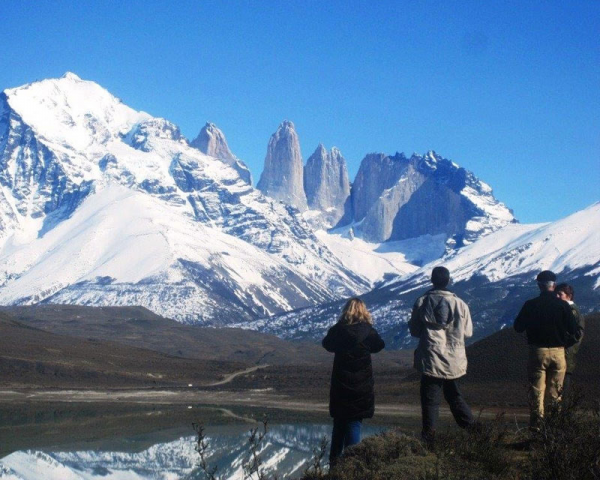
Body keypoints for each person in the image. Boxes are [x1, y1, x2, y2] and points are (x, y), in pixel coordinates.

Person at [409, 266, 475, 445]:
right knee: (454, 394)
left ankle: (429, 438)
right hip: (454, 358)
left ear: (432, 280)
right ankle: (474, 431)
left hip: (431, 356)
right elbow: (468, 332)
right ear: (448, 281)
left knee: (430, 398)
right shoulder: (460, 304)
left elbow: (415, 330)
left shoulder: (422, 301)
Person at [514, 270, 580, 429]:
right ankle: (554, 427)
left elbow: (518, 327)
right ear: (554, 286)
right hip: (558, 352)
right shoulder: (563, 305)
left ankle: (537, 426)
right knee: (555, 392)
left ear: (539, 286)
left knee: (537, 391)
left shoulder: (530, 305)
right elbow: (574, 330)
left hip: (538, 352)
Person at [322, 297, 385, 464]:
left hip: (341, 386)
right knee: (354, 423)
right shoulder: (369, 331)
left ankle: (334, 468)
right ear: (363, 311)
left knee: (339, 426)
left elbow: (326, 344)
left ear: (346, 311)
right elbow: (379, 345)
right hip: (362, 387)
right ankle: (351, 467)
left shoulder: (338, 330)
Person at [555, 283, 585, 395]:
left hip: (566, 355)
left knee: (561, 390)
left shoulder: (571, 311)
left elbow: (576, 334)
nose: (557, 297)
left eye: (560, 294)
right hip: (566, 354)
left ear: (569, 295)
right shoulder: (569, 309)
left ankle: (562, 411)